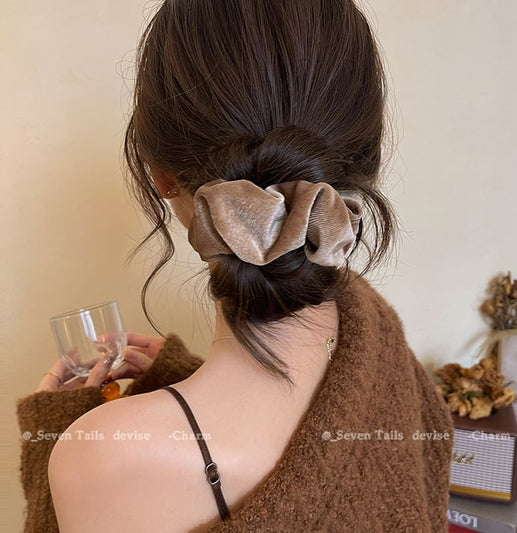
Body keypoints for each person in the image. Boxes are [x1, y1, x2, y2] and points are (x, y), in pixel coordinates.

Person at [16, 1, 454, 532]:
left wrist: (55, 434)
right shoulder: (372, 321)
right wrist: (182, 382)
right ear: (363, 164)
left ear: (159, 175)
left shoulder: (104, 460)